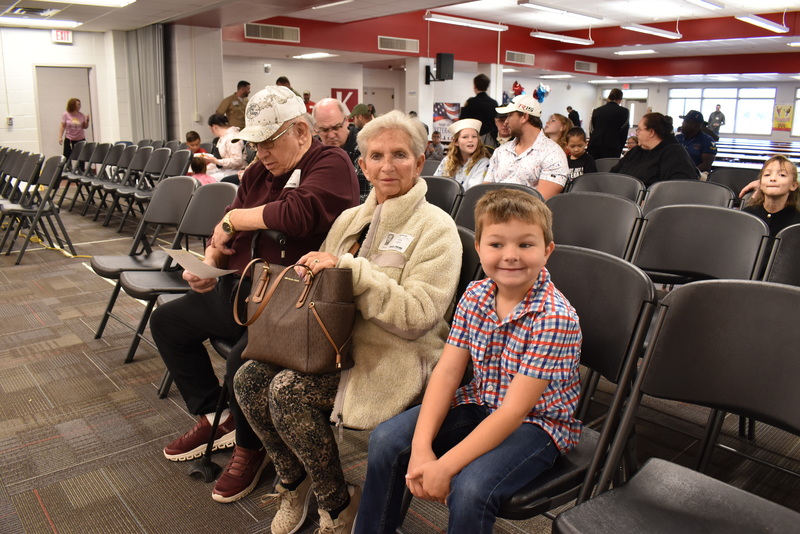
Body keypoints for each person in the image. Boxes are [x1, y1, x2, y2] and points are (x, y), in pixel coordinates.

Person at [234, 110, 461, 534]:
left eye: (400, 155)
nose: (387, 166)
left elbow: (417, 318)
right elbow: (321, 285)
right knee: (247, 379)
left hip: (393, 355)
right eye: (376, 156)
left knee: (288, 392)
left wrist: (352, 270)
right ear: (362, 165)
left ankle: (337, 504)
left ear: (419, 160)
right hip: (329, 341)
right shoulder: (350, 219)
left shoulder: (437, 229)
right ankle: (294, 482)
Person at [149, 86, 359, 505]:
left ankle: (252, 447)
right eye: (255, 142)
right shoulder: (261, 173)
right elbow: (233, 231)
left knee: (239, 358)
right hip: (243, 288)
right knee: (167, 322)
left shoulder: (330, 162)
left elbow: (297, 214)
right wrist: (212, 258)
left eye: (268, 140)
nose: (259, 151)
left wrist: (231, 218)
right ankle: (216, 416)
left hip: (293, 304)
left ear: (301, 131)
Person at [355, 189, 582, 534]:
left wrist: (444, 466)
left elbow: (513, 412)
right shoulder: (476, 295)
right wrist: (420, 449)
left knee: (471, 487)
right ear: (478, 248)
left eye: (525, 245)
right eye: (496, 245)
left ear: (547, 251)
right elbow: (447, 372)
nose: (510, 256)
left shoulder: (554, 318)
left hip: (537, 425)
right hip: (481, 401)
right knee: (387, 440)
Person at [484, 95, 569, 200]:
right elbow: (485, 192)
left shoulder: (552, 153)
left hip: (525, 215)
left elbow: (539, 203)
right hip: (494, 212)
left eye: (510, 115)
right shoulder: (501, 151)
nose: (506, 121)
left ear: (524, 117)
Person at [610, 112, 699, 186]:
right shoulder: (636, 151)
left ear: (651, 132)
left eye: (639, 130)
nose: (637, 134)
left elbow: (678, 187)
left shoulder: (675, 153)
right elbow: (614, 173)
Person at [313, 98, 370, 203]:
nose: (331, 135)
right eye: (324, 130)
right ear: (315, 128)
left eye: (337, 127)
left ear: (347, 121)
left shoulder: (365, 147)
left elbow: (364, 201)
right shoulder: (312, 151)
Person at [742, 155, 800, 238]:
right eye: (767, 174)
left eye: (782, 175)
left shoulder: (797, 222)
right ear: (760, 184)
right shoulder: (747, 215)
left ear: (793, 186)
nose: (772, 178)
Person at [433, 118, 490, 190]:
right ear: (456, 142)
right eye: (465, 137)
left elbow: (474, 191)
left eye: (474, 136)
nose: (470, 140)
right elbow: (436, 183)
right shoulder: (447, 160)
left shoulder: (483, 163)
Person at [202, 113, 247, 183]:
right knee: (200, 175)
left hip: (236, 171)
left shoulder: (232, 137)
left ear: (214, 127)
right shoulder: (222, 138)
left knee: (205, 180)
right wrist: (203, 168)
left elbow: (237, 161)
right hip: (226, 169)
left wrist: (216, 161)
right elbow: (218, 160)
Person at [587, 88, 630, 160]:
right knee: (608, 169)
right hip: (613, 146)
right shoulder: (624, 112)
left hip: (594, 145)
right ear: (620, 100)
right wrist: (620, 147)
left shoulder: (597, 110)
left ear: (608, 98)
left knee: (595, 169)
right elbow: (624, 131)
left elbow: (591, 129)